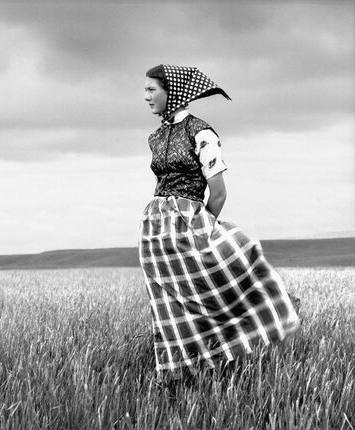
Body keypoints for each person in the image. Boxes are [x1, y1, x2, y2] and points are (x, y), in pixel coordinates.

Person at [139, 64, 300, 381]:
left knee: (211, 288)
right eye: (144, 89)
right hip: (155, 230)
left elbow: (219, 192)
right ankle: (174, 373)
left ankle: (267, 311)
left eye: (151, 89)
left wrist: (201, 228)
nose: (145, 96)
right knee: (167, 304)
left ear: (172, 91)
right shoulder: (154, 137)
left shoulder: (202, 133)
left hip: (189, 221)